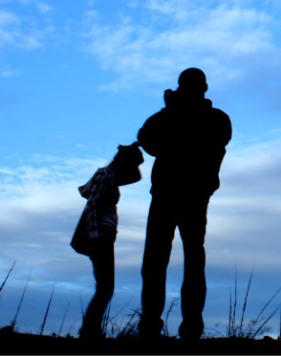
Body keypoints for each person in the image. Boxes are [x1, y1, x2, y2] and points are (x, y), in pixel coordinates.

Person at [137, 68, 232, 339]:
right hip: (189, 196)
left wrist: (171, 108)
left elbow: (147, 139)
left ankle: (155, 325)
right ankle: (187, 327)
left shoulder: (189, 117)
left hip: (173, 194)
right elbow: (147, 139)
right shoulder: (217, 118)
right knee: (187, 261)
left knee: (161, 261)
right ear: (205, 88)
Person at [78, 143, 144, 340]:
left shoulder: (110, 176)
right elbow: (93, 206)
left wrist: (132, 148)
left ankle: (91, 330)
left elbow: (135, 177)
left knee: (105, 287)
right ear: (125, 162)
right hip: (100, 235)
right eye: (132, 164)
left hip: (104, 234)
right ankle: (89, 331)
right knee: (105, 287)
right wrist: (94, 236)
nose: (133, 169)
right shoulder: (105, 175)